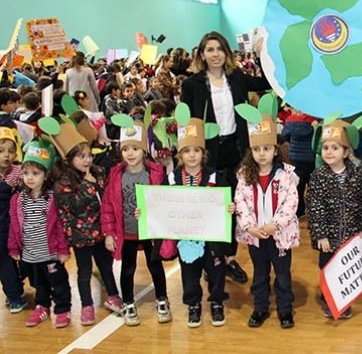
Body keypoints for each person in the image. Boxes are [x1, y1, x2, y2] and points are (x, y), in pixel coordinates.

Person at [181, 31, 272, 284]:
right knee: (211, 207)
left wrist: (260, 54)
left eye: (219, 49)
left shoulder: (237, 77)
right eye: (209, 50)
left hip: (236, 150)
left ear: (227, 53)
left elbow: (266, 83)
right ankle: (212, 259)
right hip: (207, 153)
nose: (215, 54)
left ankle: (229, 258)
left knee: (233, 207)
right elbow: (187, 123)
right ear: (202, 54)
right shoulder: (192, 84)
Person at [164, 112, 233, 328]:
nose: (192, 155)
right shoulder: (172, 178)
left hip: (212, 238)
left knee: (216, 271)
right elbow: (162, 204)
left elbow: (225, 203)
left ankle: (216, 302)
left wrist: (230, 208)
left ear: (203, 153)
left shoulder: (215, 176)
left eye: (196, 150)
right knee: (189, 273)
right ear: (180, 154)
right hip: (187, 238)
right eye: (187, 151)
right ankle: (193, 305)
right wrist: (146, 212)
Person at [100, 119, 171, 327]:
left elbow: (164, 199)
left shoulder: (155, 173)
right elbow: (107, 207)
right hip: (127, 232)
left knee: (155, 266)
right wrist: (108, 234)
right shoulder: (116, 175)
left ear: (144, 151)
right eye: (126, 150)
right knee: (127, 269)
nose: (130, 154)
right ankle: (128, 302)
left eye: (135, 149)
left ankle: (162, 299)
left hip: (150, 231)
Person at [51, 121, 122, 326]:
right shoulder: (64, 181)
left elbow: (107, 198)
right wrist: (89, 186)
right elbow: (74, 206)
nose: (87, 160)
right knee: (84, 272)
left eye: (89, 155)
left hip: (101, 232)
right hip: (81, 236)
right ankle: (86, 305)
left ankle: (113, 295)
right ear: (70, 159)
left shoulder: (98, 172)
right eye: (81, 156)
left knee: (106, 267)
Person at [235, 111, 299, 329]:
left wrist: (275, 225)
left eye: (266, 149)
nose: (261, 154)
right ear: (250, 151)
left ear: (275, 150)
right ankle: (260, 307)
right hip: (256, 237)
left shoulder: (285, 175)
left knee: (282, 275)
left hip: (279, 235)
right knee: (259, 274)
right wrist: (250, 227)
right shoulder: (244, 176)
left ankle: (285, 309)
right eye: (256, 149)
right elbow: (240, 202)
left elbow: (291, 203)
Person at [307, 120, 362, 320]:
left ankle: (343, 301)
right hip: (328, 238)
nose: (329, 152)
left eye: (335, 148)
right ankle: (329, 297)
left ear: (346, 152)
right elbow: (315, 207)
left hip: (351, 236)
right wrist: (320, 235)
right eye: (326, 147)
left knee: (346, 269)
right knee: (328, 266)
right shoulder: (318, 176)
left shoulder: (359, 175)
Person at [8, 140, 72, 328]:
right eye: (26, 173)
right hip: (30, 253)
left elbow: (59, 226)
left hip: (50, 252)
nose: (30, 178)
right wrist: (14, 247)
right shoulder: (18, 199)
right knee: (38, 283)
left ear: (46, 175)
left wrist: (63, 249)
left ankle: (62, 309)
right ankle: (41, 306)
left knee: (58, 282)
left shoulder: (51, 199)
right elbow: (15, 225)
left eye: (35, 174)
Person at [0, 128, 25, 316]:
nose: (6, 156)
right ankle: (14, 295)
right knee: (5, 262)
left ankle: (17, 288)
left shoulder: (19, 172)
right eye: (1, 151)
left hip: (16, 226)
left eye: (10, 151)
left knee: (19, 260)